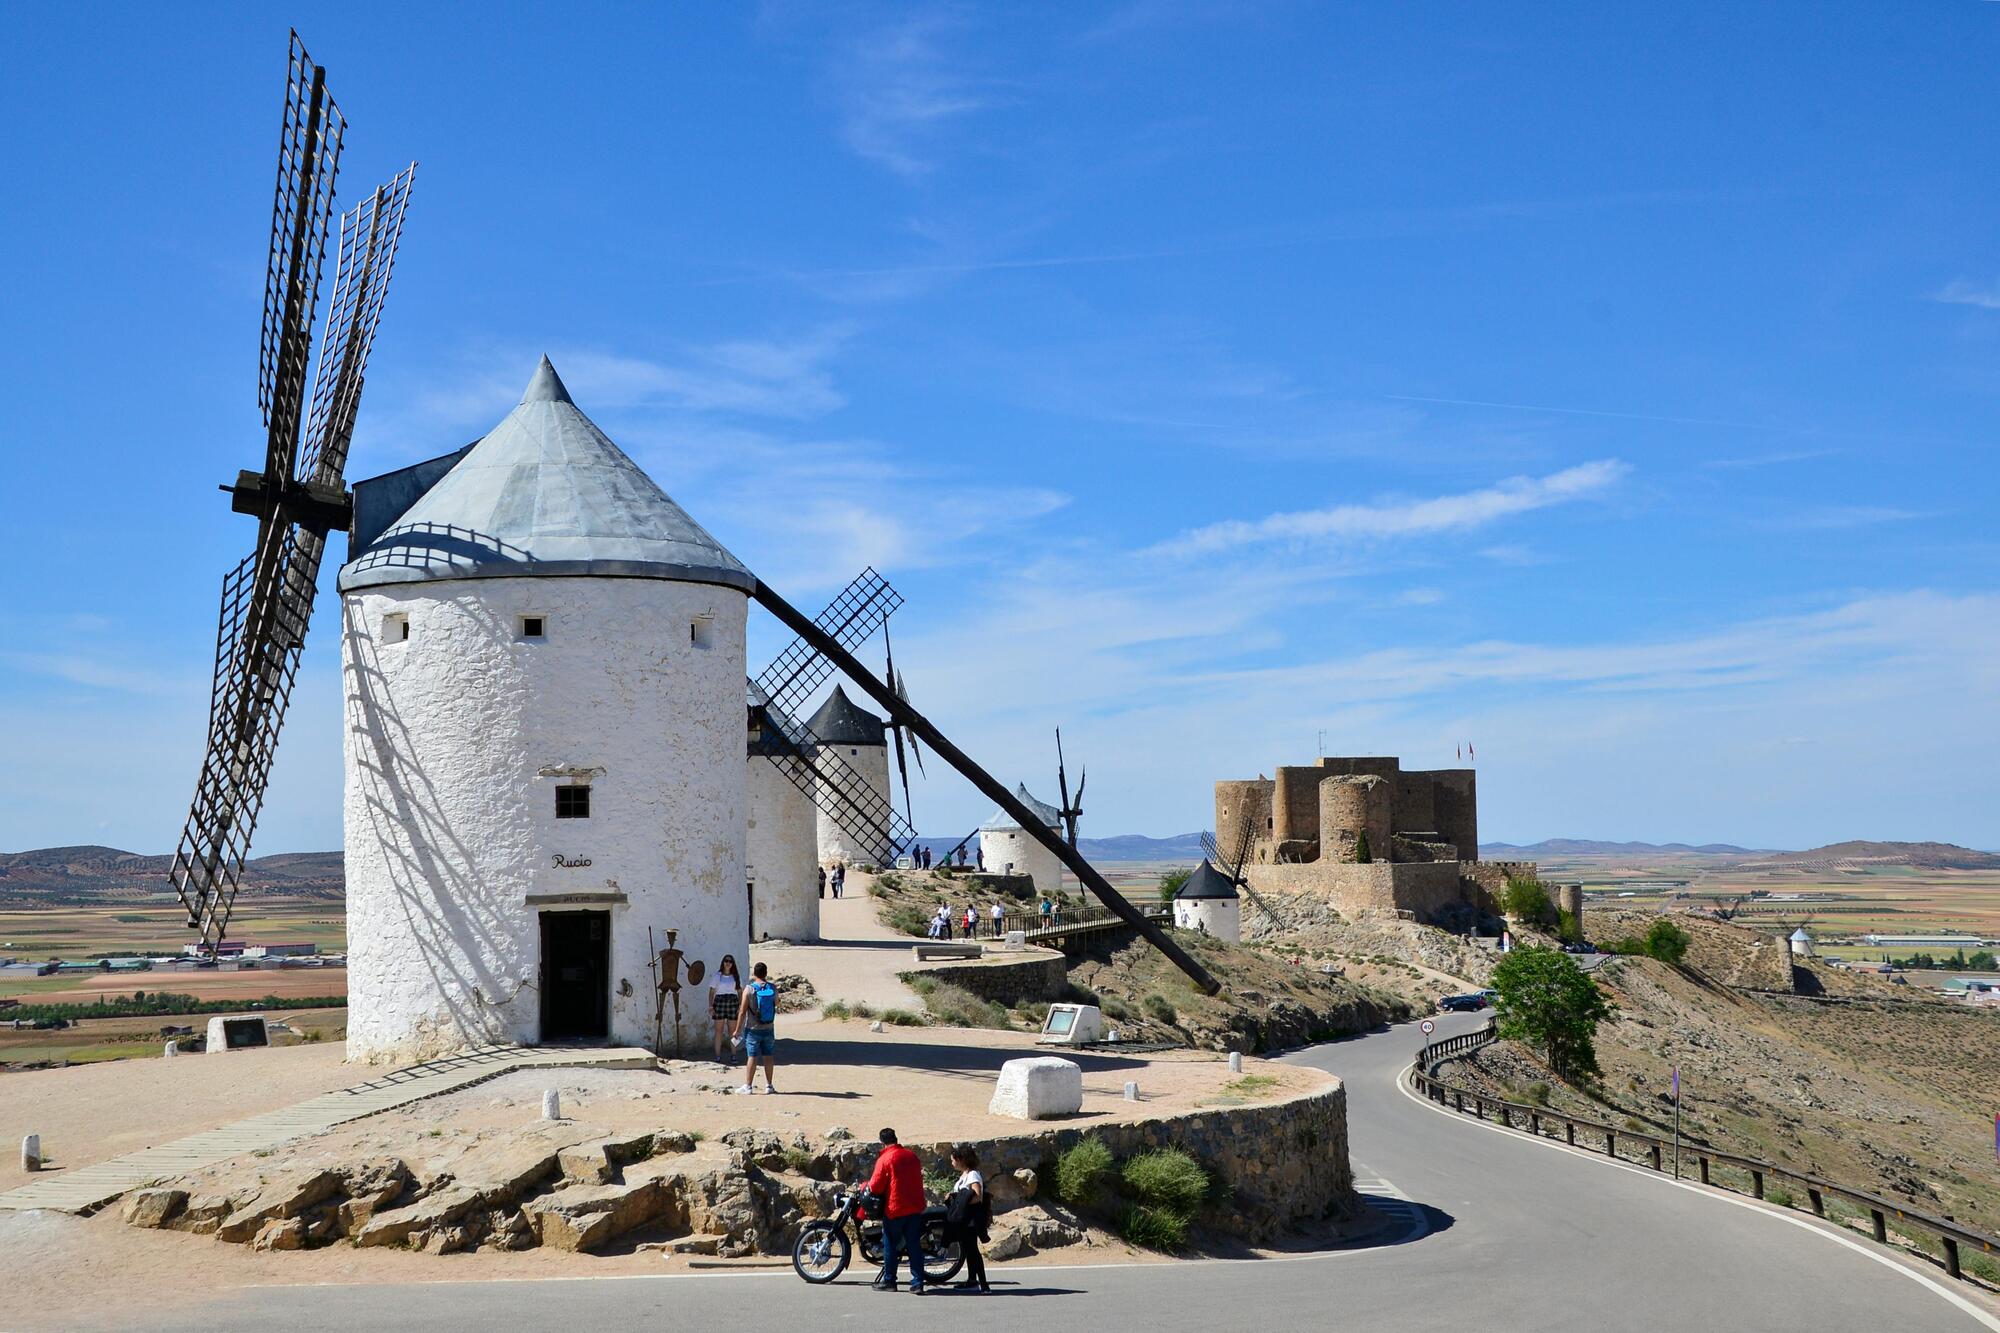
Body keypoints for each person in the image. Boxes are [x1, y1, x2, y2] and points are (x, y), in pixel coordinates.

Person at [865, 1128, 927, 1293]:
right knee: (914, 1245)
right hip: (915, 1207)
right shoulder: (911, 1155)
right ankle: (918, 1283)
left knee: (890, 1244)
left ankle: (890, 1281)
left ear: (882, 1142)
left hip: (896, 1208)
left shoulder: (885, 1158)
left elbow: (876, 1186)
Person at [943, 1143, 991, 1292]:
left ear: (961, 1160)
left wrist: (959, 1202)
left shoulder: (972, 1175)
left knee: (973, 1251)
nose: (952, 1162)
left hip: (971, 1218)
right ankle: (972, 1280)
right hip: (965, 1218)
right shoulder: (965, 1175)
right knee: (969, 1250)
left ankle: (984, 1285)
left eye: (953, 1160)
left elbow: (977, 1196)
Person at [731, 961, 780, 1094]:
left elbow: (742, 1011)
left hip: (753, 1029)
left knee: (752, 1056)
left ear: (754, 974)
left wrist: (737, 1030)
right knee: (768, 1056)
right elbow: (777, 1003)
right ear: (766, 973)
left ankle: (748, 1086)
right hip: (768, 1027)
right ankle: (769, 1085)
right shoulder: (772, 988)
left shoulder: (749, 989)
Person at [708, 953, 741, 1061]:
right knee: (719, 1031)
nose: (728, 963)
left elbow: (739, 991)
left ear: (733, 964)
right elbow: (711, 991)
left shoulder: (735, 976)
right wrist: (711, 1006)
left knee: (733, 1031)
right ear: (723, 962)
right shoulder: (717, 976)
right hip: (720, 1002)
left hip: (733, 1002)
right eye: (726, 961)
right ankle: (717, 1056)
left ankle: (734, 1055)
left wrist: (740, 1005)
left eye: (730, 961)